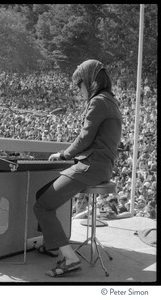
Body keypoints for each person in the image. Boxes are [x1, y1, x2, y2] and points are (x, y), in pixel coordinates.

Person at [33, 59, 123, 277]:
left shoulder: (98, 102)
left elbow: (85, 137)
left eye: (78, 85)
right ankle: (52, 245)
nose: (78, 90)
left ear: (90, 81)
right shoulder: (110, 101)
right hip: (100, 166)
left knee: (42, 207)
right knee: (41, 194)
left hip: (91, 166)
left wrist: (64, 154)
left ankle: (70, 258)